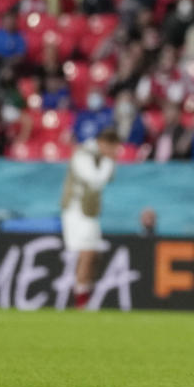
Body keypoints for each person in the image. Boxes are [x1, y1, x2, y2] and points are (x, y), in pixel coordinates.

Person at [60, 127, 119, 309]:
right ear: (103, 143)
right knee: (86, 253)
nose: (114, 153)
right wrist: (109, 161)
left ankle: (83, 294)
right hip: (77, 211)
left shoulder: (97, 156)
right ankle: (81, 301)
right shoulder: (83, 155)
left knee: (93, 254)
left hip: (90, 212)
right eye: (113, 148)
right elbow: (96, 180)